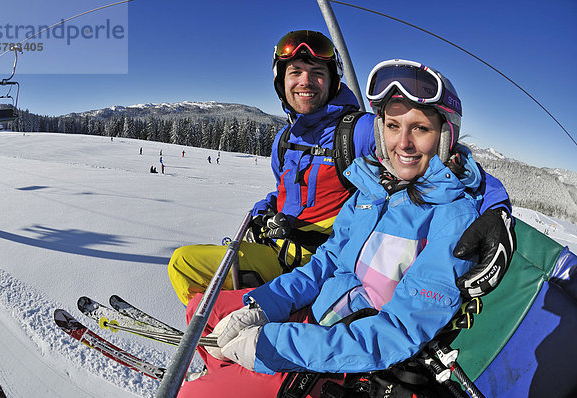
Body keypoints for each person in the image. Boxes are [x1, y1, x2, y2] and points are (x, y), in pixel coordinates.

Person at [179, 59, 486, 397]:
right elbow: (326, 264)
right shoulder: (372, 191)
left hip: (348, 362)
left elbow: (395, 335)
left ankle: (226, 380)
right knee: (202, 312)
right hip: (316, 319)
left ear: (445, 137)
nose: (404, 143)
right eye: (393, 126)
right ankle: (226, 371)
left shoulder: (453, 221)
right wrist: (265, 305)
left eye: (421, 129)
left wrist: (276, 343)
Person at [168, 30, 514, 306]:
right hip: (276, 248)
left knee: (195, 275)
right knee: (196, 274)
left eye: (317, 73)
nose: (305, 81)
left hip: (320, 263)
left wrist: (495, 209)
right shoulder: (284, 140)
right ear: (281, 82)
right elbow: (290, 191)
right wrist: (270, 206)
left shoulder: (358, 130)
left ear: (333, 81)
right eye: (295, 73)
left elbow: (438, 158)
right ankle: (216, 341)